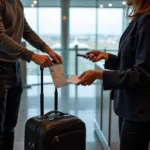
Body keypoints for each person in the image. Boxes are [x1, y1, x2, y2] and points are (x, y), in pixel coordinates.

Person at [77, 0, 150, 149]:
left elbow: (142, 73)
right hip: (129, 107)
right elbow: (131, 63)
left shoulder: (147, 20)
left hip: (138, 110)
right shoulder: (139, 19)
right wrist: (106, 56)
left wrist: (99, 75)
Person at [0, 0, 62, 149]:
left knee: (9, 126)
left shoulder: (17, 3)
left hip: (15, 68)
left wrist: (47, 49)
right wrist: (33, 56)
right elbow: (1, 38)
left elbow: (26, 31)